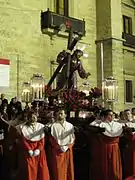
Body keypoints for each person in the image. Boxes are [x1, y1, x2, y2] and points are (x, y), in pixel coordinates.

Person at [89, 109, 123, 180]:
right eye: (110, 115)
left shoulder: (118, 124)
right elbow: (91, 126)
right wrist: (99, 120)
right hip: (105, 147)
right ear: (106, 116)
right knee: (106, 165)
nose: (112, 116)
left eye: (113, 115)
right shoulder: (101, 124)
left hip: (115, 147)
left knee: (114, 165)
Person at [16, 111, 50, 180]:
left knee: (42, 169)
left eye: (35, 116)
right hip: (28, 151)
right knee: (30, 169)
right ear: (28, 118)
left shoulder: (41, 126)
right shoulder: (22, 127)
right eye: (32, 117)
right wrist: (29, 149)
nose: (34, 118)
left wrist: (38, 149)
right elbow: (23, 140)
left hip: (39, 151)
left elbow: (42, 140)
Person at [47, 109, 75, 180]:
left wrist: (68, 146)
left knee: (68, 169)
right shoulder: (53, 126)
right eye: (58, 114)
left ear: (65, 115)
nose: (60, 115)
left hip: (67, 150)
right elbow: (51, 139)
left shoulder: (70, 125)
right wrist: (58, 147)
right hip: (58, 151)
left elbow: (73, 138)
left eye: (61, 113)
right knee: (58, 170)